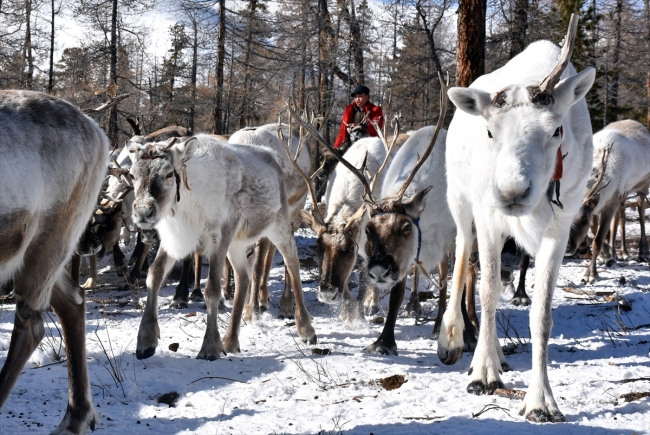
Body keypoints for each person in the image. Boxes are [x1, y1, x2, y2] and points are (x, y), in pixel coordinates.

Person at [333, 84, 384, 149]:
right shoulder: (349, 110)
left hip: (368, 145)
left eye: (360, 96)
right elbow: (343, 132)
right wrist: (336, 147)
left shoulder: (375, 110)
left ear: (368, 96)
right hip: (350, 145)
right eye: (356, 97)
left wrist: (361, 126)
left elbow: (377, 127)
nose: (357, 99)